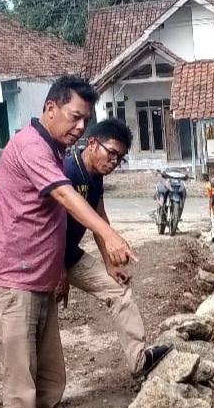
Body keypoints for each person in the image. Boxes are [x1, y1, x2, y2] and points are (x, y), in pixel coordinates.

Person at [0, 75, 136, 408]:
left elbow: (61, 221)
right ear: (50, 108)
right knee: (21, 378)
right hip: (9, 284)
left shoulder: (54, 147)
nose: (81, 127)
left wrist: (62, 272)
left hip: (39, 282)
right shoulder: (32, 147)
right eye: (75, 116)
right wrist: (110, 235)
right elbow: (66, 197)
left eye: (87, 120)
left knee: (51, 374)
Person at [60, 118, 172, 379]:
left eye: (119, 158)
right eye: (111, 153)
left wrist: (109, 263)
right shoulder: (67, 170)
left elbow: (100, 221)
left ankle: (139, 360)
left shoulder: (96, 177)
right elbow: (48, 228)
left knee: (118, 291)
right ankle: (44, 404)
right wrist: (58, 272)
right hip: (44, 259)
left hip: (70, 256)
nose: (114, 161)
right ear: (91, 143)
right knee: (42, 328)